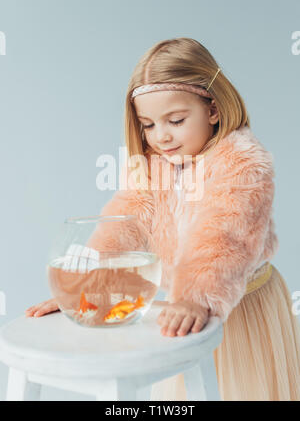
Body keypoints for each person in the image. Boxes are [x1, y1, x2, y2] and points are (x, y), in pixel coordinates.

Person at [25, 37, 300, 401]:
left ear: (213, 110)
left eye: (175, 120)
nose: (161, 136)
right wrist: (88, 288)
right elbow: (125, 223)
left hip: (241, 307)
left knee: (243, 390)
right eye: (149, 125)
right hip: (183, 309)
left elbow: (225, 235)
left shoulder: (243, 162)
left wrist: (196, 296)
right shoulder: (153, 166)